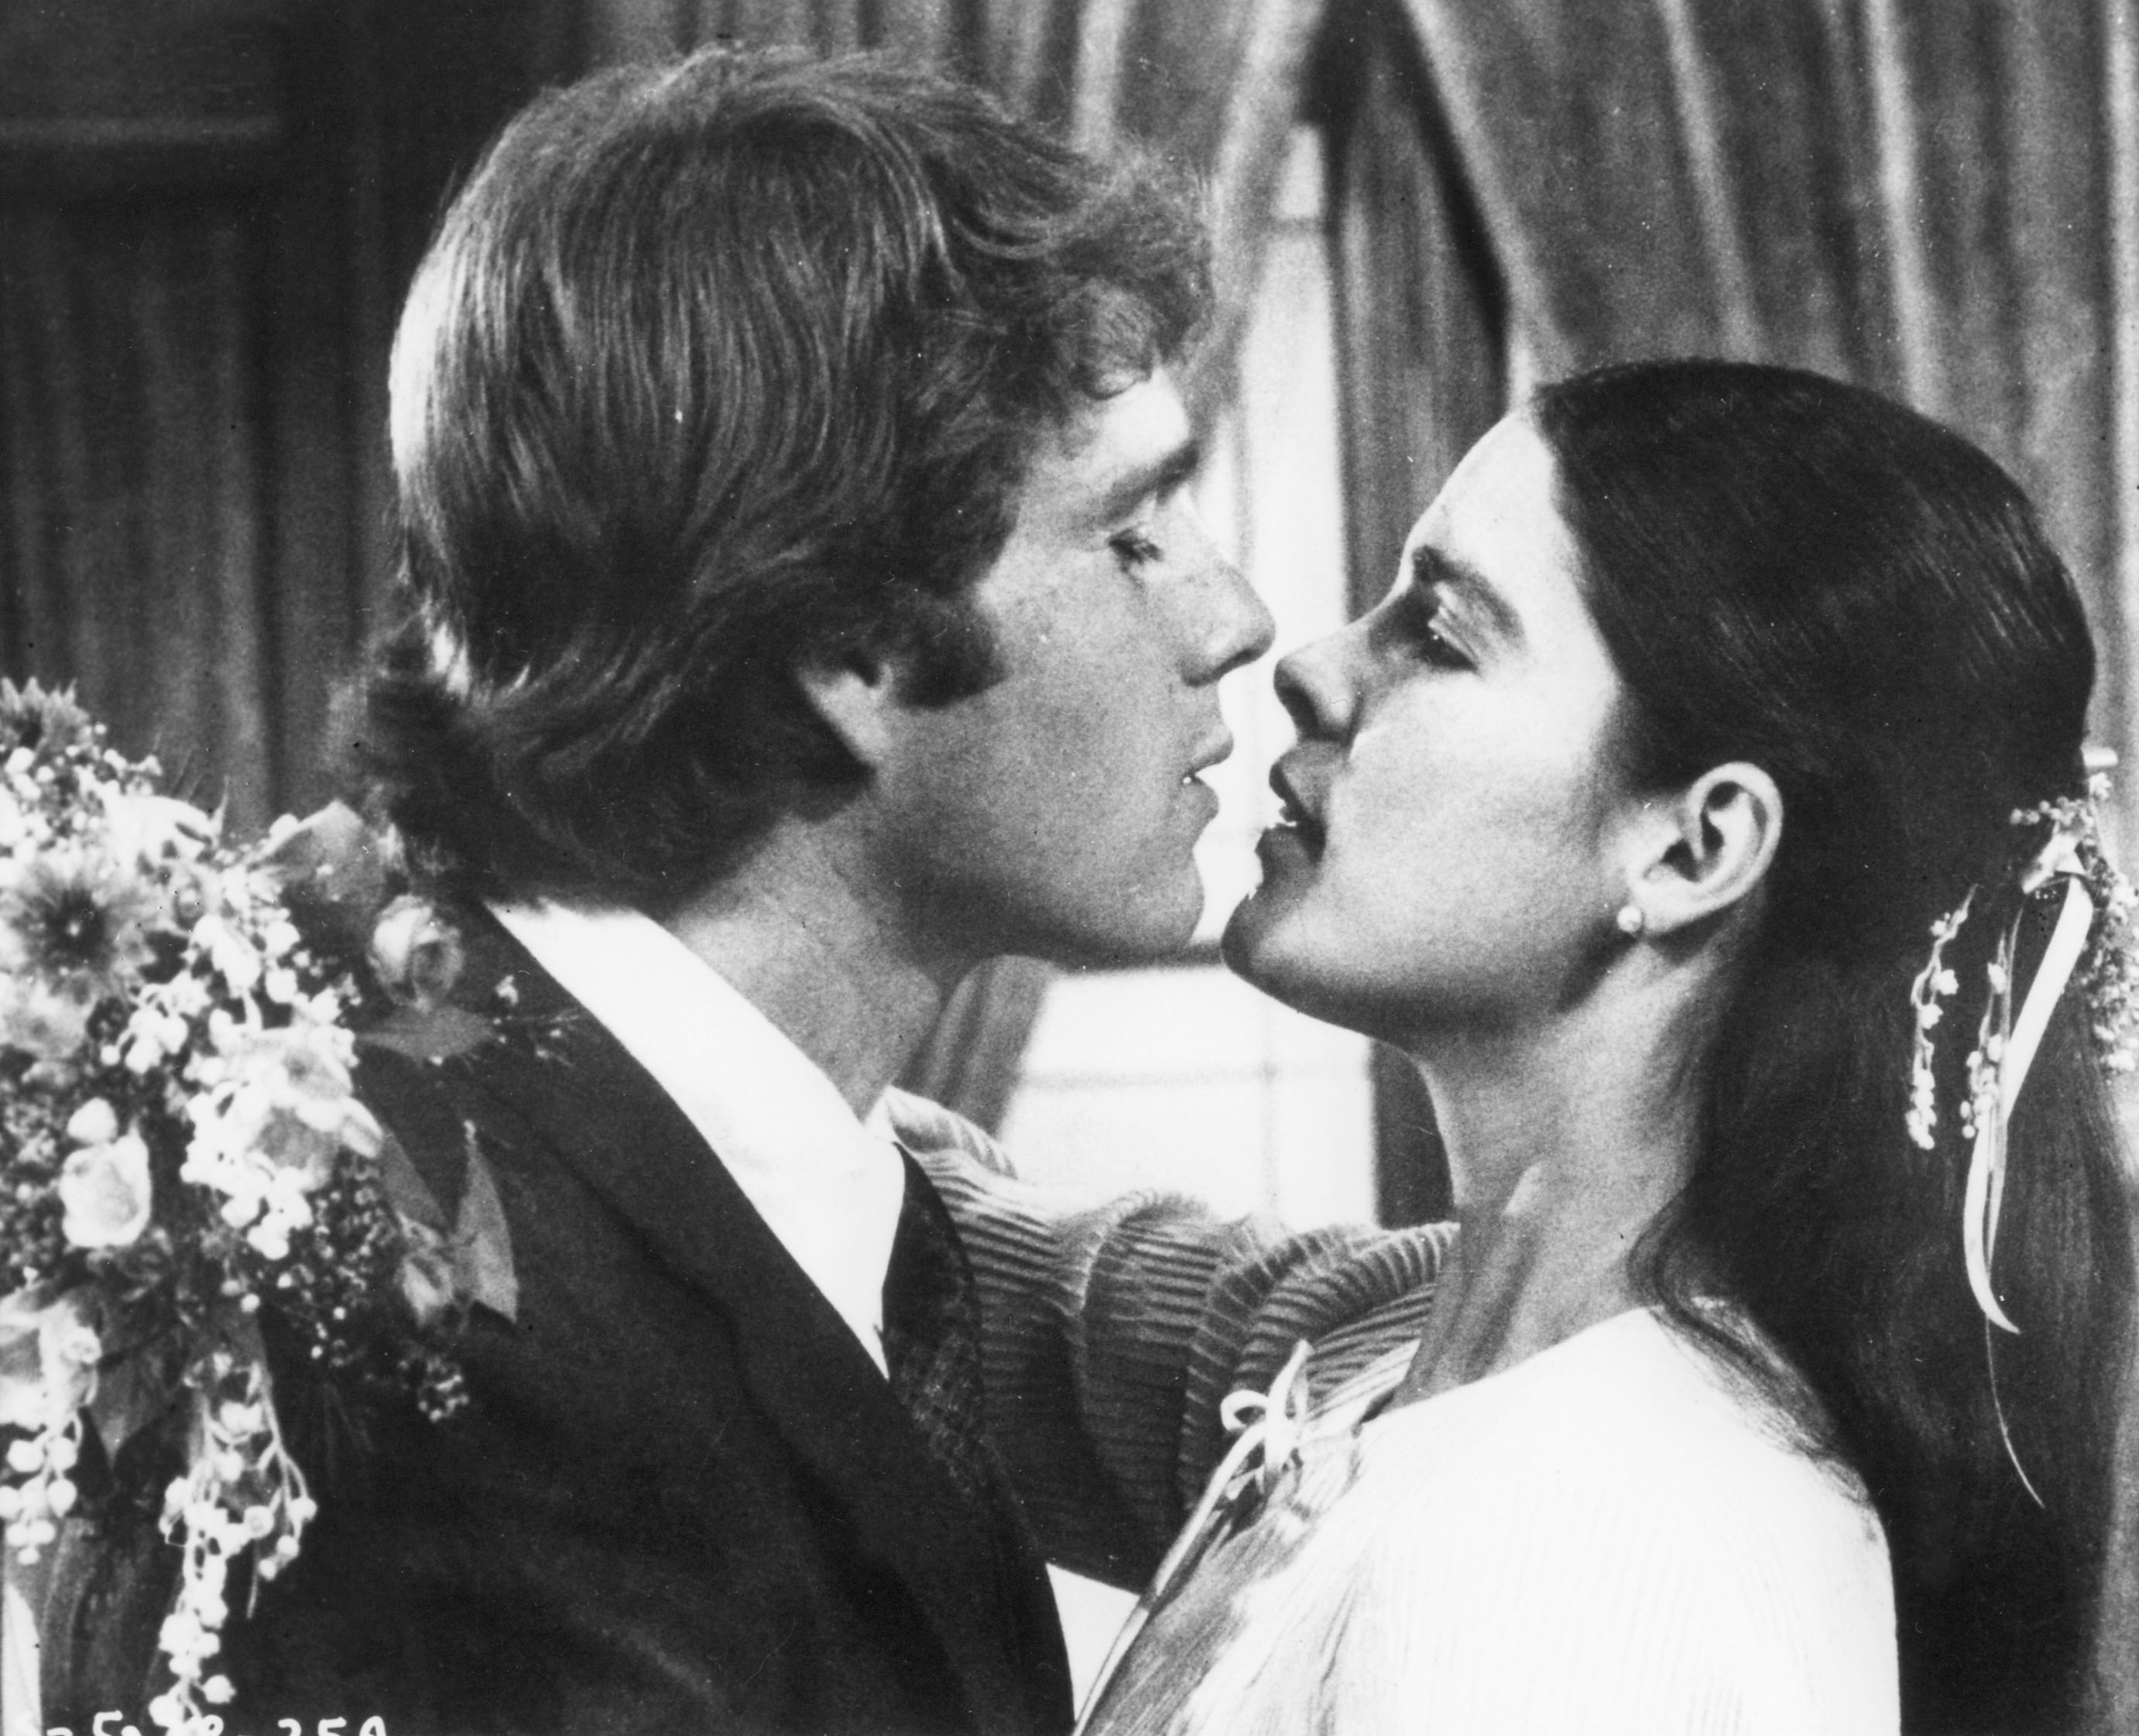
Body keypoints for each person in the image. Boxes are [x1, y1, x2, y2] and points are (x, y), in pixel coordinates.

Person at [37, 45, 1275, 1736]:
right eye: (1132, 532)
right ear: (851, 647)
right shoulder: (449, 1407)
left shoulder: (665, 1137)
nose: (1231, 620)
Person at [916, 360, 2135, 1735]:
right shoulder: (1433, 1351)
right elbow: (1009, 1272)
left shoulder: (1588, 1542)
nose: (1308, 666)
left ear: (1694, 849)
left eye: (1439, 634)